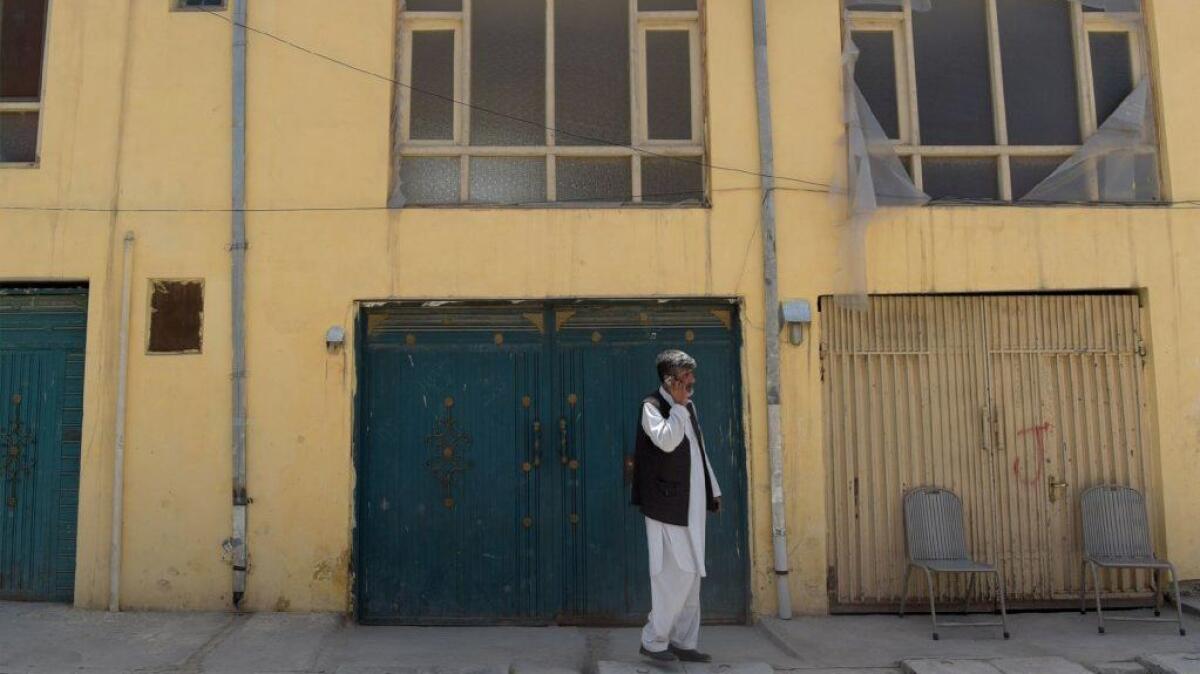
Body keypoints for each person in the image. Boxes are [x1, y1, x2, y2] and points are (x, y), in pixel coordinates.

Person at [630, 349, 721, 663]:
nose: (692, 381)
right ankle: (654, 641)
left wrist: (713, 489)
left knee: (693, 573)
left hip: (691, 504)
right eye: (686, 377)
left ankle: (683, 641)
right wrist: (679, 409)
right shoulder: (652, 407)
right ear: (670, 382)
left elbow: (699, 449)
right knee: (674, 574)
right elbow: (667, 441)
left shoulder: (688, 406)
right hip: (666, 505)